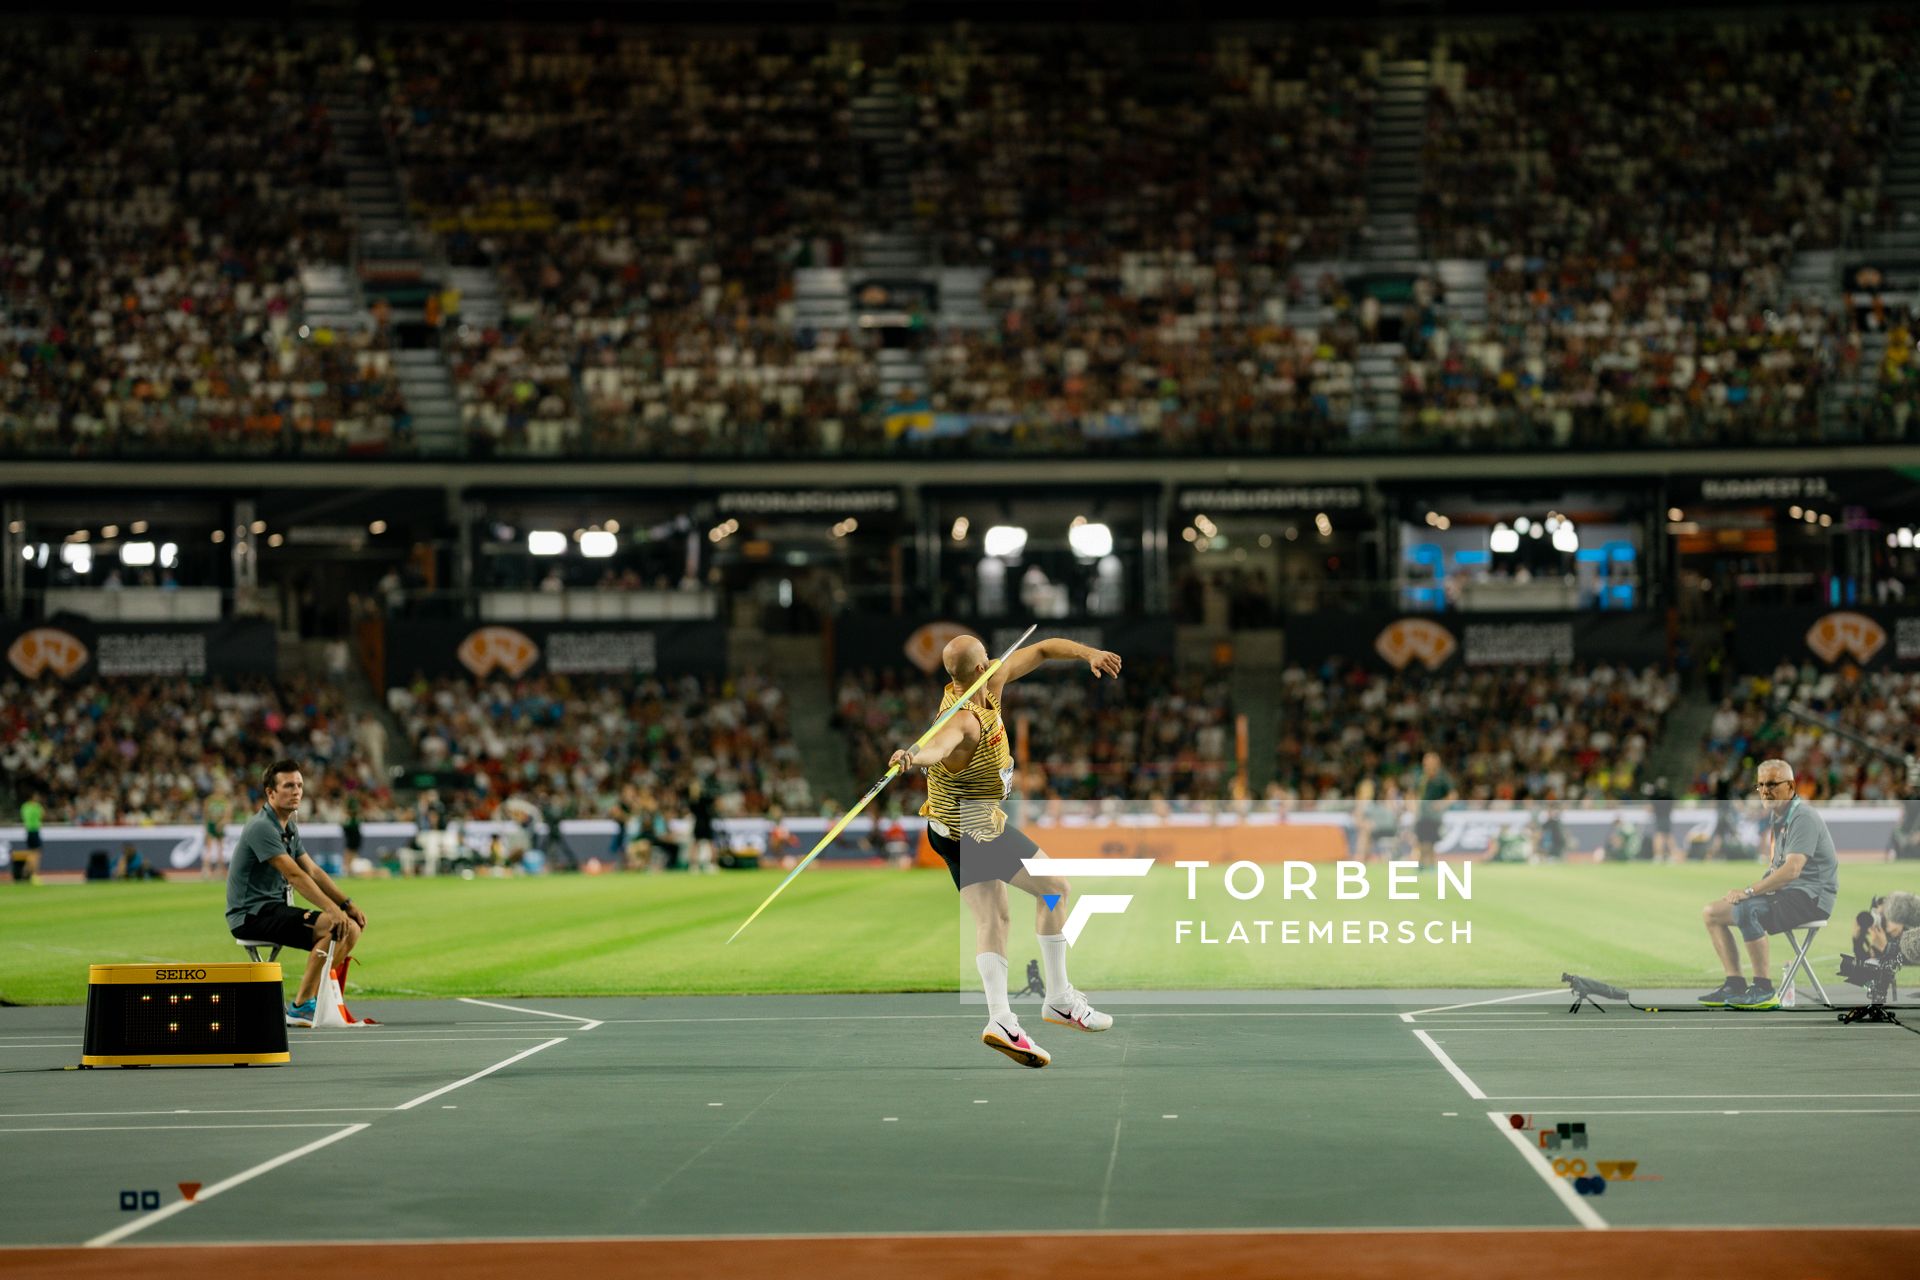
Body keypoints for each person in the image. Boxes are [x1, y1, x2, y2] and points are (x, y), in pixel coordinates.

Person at [889, 633, 1123, 1068]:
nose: (996, 665)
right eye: (988, 661)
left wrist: (1089, 653)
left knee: (993, 919)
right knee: (1055, 889)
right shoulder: (963, 719)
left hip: (944, 828)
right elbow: (938, 742)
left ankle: (1001, 1020)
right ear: (979, 669)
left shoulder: (987, 684)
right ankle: (1059, 998)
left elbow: (1043, 649)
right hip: (976, 827)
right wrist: (912, 755)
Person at [225, 760, 369, 1027]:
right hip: (250, 915)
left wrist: (346, 904)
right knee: (332, 926)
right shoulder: (262, 827)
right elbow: (295, 874)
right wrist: (331, 909)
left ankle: (314, 998)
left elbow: (312, 870)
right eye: (289, 785)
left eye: (300, 785)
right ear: (270, 793)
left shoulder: (288, 826)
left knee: (351, 928)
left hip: (272, 909)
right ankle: (301, 1005)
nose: (297, 791)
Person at [1698, 759, 1839, 1010]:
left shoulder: (1802, 817)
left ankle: (1764, 990)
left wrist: (1749, 892)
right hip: (1790, 894)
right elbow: (1777, 869)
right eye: (1760, 785)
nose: (1765, 791)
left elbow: (1792, 870)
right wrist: (1752, 890)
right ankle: (1735, 984)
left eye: (1773, 784)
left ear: (1791, 786)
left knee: (1746, 909)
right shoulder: (1780, 816)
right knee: (1712, 913)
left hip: (1811, 898)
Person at [1412, 751, 1456, 872]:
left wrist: (1441, 803)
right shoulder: (1420, 777)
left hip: (1435, 815)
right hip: (1421, 813)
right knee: (1421, 840)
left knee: (1431, 840)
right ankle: (1421, 864)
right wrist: (1413, 806)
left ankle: (1431, 865)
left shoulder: (1442, 778)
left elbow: (1452, 795)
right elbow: (1413, 794)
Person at [16, 794, 42, 883]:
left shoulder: (24, 807)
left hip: (28, 831)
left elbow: (24, 817)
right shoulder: (36, 807)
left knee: (32, 853)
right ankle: (33, 875)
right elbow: (41, 815)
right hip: (34, 831)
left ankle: (25, 872)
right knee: (36, 854)